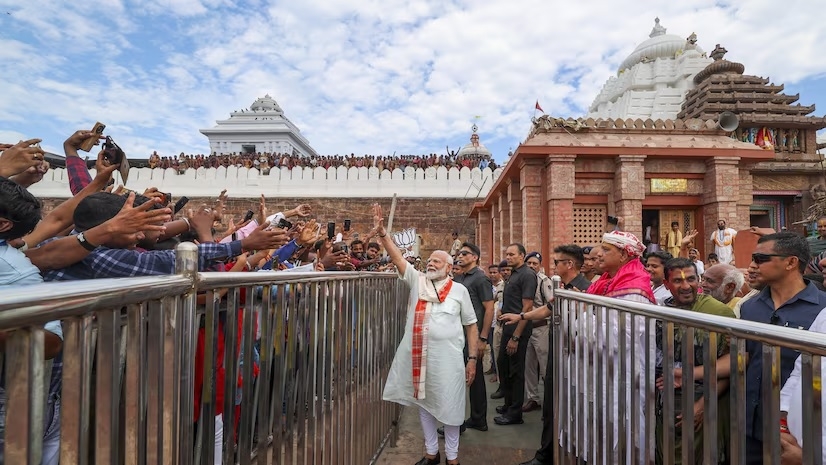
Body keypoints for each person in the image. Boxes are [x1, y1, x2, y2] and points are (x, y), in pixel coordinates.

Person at [375, 205, 479, 465]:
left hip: (449, 359)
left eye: (437, 261)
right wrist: (385, 236)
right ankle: (431, 453)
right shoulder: (417, 281)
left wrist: (473, 358)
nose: (431, 263)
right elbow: (399, 259)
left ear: (449, 268)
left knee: (452, 408)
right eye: (430, 259)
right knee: (424, 406)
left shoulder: (459, 292)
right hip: (420, 359)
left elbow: (471, 325)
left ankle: (452, 458)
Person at [654, 258, 735, 465]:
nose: (686, 286)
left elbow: (734, 362)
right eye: (678, 281)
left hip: (706, 402)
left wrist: (705, 403)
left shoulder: (718, 312)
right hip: (666, 404)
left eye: (691, 279)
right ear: (666, 284)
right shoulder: (660, 312)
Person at [588, 230, 656, 463]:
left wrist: (582, 325)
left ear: (625, 255)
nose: (600, 254)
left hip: (626, 370)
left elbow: (620, 336)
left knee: (626, 424)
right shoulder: (606, 281)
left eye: (607, 250)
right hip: (607, 367)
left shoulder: (635, 286)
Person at [493, 243, 537, 426]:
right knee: (504, 366)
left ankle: (515, 413)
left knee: (516, 372)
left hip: (518, 330)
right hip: (507, 328)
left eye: (512, 254)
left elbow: (527, 307)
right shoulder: (513, 274)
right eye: (507, 254)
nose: (508, 257)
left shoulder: (527, 275)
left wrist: (516, 337)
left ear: (522, 256)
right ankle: (509, 405)